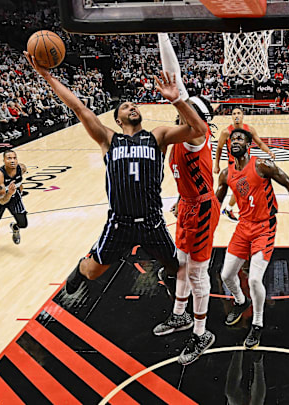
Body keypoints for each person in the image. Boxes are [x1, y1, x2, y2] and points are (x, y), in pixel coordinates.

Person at [23, 51, 208, 302]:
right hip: (119, 224)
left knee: (178, 270)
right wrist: (46, 76)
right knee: (91, 273)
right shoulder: (109, 139)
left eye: (134, 105)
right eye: (125, 106)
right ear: (118, 120)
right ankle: (81, 265)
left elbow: (199, 129)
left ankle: (169, 275)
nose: (132, 107)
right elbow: (78, 107)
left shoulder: (158, 136)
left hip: (152, 222)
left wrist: (177, 101)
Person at [215, 128, 289, 349]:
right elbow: (216, 204)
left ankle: (257, 324)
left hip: (264, 227)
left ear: (249, 144)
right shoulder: (226, 174)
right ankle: (241, 302)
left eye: (240, 138)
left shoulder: (262, 165)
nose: (235, 141)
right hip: (243, 226)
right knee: (226, 275)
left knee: (253, 279)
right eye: (232, 139)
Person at [153, 95, 219, 365]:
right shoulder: (178, 137)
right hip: (187, 206)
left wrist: (178, 97)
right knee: (180, 264)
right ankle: (180, 314)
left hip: (202, 209)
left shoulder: (197, 136)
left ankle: (201, 334)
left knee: (197, 273)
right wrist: (180, 200)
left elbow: (195, 124)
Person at [214, 107, 274, 222]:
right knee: (240, 188)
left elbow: (260, 143)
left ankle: (229, 209)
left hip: (247, 164)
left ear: (242, 116)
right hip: (233, 165)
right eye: (234, 113)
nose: (236, 115)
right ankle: (222, 210)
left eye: (238, 113)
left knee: (244, 188)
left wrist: (268, 151)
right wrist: (216, 165)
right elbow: (219, 148)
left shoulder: (249, 130)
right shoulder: (226, 132)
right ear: (231, 116)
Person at [0, 150, 28, 252]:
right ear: (3, 160)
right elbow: (2, 201)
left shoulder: (22, 168)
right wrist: (10, 193)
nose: (12, 161)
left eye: (14, 158)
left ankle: (15, 227)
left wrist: (19, 190)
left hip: (13, 194)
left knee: (23, 223)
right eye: (9, 158)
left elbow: (19, 181)